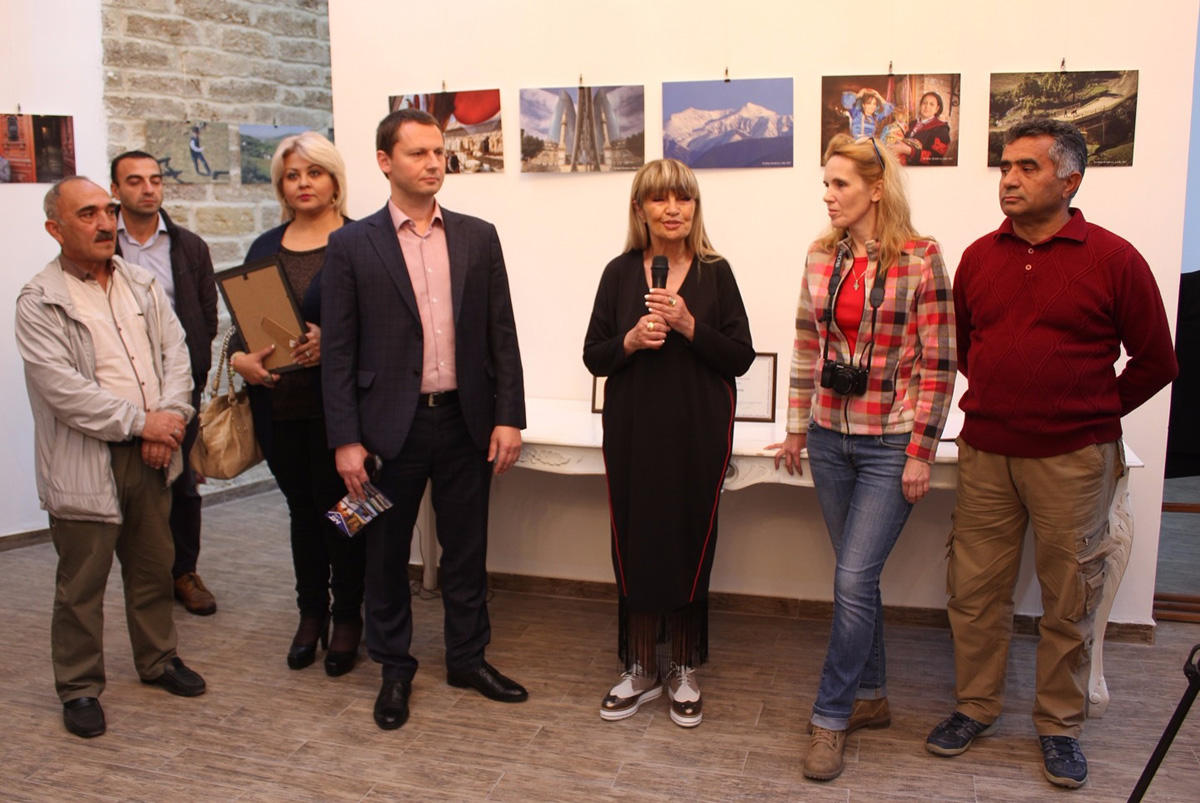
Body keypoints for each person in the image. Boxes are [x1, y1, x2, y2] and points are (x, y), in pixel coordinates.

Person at [925, 118, 1178, 789]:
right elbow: (969, 348)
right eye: (1004, 166)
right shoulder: (979, 256)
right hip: (986, 452)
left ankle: (1059, 724)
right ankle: (975, 706)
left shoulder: (1114, 258)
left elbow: (1158, 360)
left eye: (1027, 167)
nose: (1008, 179)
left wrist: (1095, 411)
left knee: (1070, 596)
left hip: (1076, 458)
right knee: (974, 591)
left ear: (1070, 179)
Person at [321, 108, 528, 731]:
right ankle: (394, 669)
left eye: (439, 152)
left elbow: (501, 335)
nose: (434, 163)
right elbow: (338, 353)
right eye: (419, 154)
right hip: (389, 432)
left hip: (465, 422)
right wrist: (346, 441)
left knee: (467, 550)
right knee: (386, 555)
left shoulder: (477, 236)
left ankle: (467, 659)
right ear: (386, 162)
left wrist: (508, 417)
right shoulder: (351, 245)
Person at [771, 134, 956, 781]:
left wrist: (920, 450)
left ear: (876, 188)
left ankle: (831, 716)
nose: (828, 196)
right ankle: (871, 696)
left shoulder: (921, 256)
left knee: (850, 580)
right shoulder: (820, 255)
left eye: (840, 184)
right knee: (859, 579)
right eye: (825, 184)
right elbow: (804, 345)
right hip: (828, 437)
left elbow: (939, 362)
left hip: (887, 444)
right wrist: (797, 428)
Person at [16, 177, 207, 739]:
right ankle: (78, 688)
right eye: (88, 214)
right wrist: (140, 421)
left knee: (153, 566)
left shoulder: (142, 284)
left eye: (108, 211)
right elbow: (62, 390)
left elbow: (178, 358)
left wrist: (167, 422)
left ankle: (159, 659)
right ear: (56, 228)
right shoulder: (40, 300)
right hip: (86, 461)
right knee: (81, 586)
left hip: (152, 452)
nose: (105, 223)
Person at [583, 159, 755, 728]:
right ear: (641, 210)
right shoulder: (617, 272)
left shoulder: (715, 272)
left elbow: (740, 356)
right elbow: (594, 355)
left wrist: (687, 326)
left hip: (698, 432)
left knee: (689, 541)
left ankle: (682, 667)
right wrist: (630, 339)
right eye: (659, 200)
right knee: (634, 541)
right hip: (633, 431)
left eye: (683, 198)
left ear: (695, 207)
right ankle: (638, 666)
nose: (673, 209)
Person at [230, 132, 367, 678]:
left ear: (335, 180)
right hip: (279, 405)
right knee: (302, 514)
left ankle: (349, 618)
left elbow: (389, 328)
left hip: (345, 412)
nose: (303, 183)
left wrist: (330, 343)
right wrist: (241, 358)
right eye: (293, 175)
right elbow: (240, 326)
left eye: (314, 172)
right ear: (281, 187)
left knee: (347, 517)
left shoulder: (364, 240)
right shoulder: (264, 247)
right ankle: (311, 613)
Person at [111, 150, 219, 616]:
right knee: (125, 481)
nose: (148, 188)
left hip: (178, 383)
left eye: (155, 179)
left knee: (181, 485)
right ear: (116, 190)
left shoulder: (188, 246)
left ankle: (183, 572)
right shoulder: (104, 243)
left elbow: (205, 316)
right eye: (134, 181)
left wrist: (190, 371)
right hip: (121, 383)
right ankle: (142, 574)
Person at [890, 92, 952, 166]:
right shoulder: (912, 123)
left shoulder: (941, 129)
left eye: (931, 104)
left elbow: (936, 159)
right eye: (924, 103)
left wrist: (908, 150)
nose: (927, 107)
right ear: (920, 105)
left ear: (937, 109)